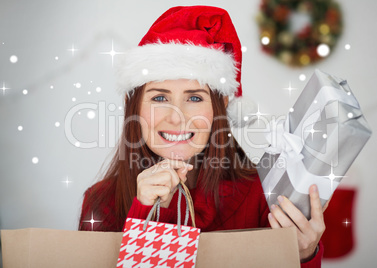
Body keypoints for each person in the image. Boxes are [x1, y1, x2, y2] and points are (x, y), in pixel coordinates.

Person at [79, 5, 325, 266]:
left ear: (220, 109)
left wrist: (303, 255)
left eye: (195, 97)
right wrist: (144, 215)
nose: (176, 117)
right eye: (159, 97)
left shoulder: (261, 195)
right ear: (134, 107)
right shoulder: (101, 202)